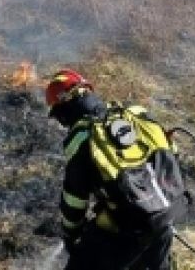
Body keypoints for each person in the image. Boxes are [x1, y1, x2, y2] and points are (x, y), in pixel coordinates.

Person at [46, 69, 185, 270]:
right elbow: (172, 154)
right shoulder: (135, 113)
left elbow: (75, 199)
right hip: (166, 216)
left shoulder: (82, 137)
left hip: (125, 229)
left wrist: (71, 235)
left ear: (64, 109)